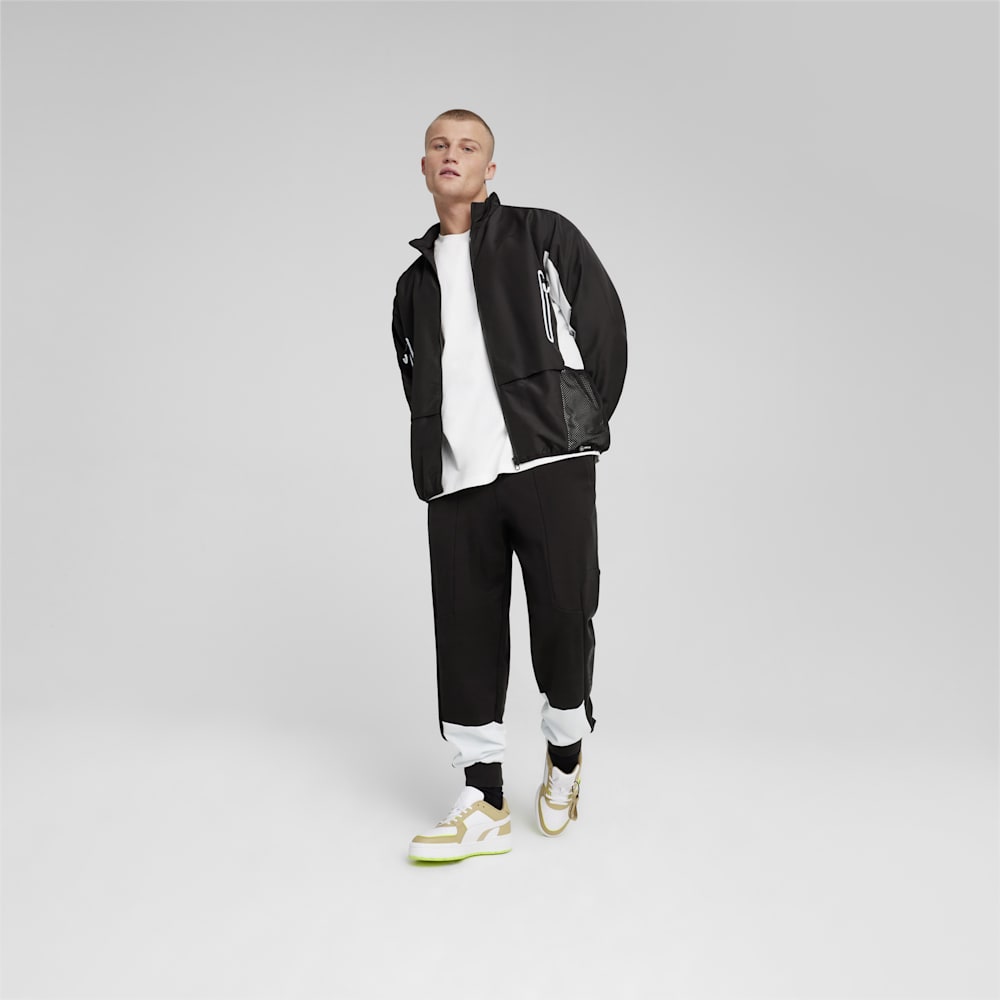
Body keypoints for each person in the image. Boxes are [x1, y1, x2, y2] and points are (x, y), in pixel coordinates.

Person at [391, 109, 627, 862]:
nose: (451, 155)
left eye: (468, 147)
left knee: (564, 616)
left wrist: (574, 428)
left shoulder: (540, 236)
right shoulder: (412, 284)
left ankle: (565, 754)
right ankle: (483, 799)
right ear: (424, 167)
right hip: (458, 481)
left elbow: (604, 327)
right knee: (464, 633)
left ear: (489, 170)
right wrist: (437, 457)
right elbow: (416, 382)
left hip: (547, 464)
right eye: (439, 146)